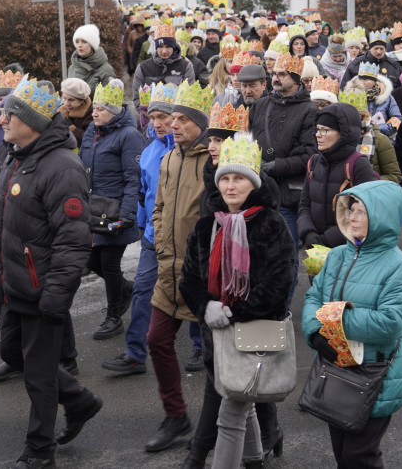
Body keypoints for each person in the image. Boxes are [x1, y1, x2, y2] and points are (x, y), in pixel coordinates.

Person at [0, 76, 103, 468]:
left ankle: (40, 452)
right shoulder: (17, 156)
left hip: (42, 293)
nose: (1, 118)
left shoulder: (63, 167)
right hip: (15, 287)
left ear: (33, 121)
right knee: (12, 353)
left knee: (38, 377)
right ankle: (78, 399)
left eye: (11, 113)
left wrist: (56, 297)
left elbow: (73, 240)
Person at [179, 133, 294, 469]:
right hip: (215, 334)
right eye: (225, 178)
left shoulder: (271, 224)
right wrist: (206, 306)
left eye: (239, 178)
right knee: (241, 398)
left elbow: (279, 283)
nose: (230, 186)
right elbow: (189, 280)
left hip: (253, 333)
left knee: (231, 410)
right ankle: (256, 457)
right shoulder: (205, 227)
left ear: (253, 182)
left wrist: (234, 311)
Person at [303, 180, 402, 469]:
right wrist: (315, 333)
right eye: (350, 210)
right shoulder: (338, 254)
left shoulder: (396, 266)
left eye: (361, 212)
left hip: (375, 374)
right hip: (336, 366)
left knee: (359, 456)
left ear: (381, 216)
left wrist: (333, 321)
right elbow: (313, 296)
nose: (351, 217)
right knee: (342, 452)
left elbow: (390, 322)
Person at [145, 80, 213, 453]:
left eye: (182, 119)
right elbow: (158, 206)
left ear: (199, 124)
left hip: (203, 276)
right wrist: (159, 238)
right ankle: (176, 417)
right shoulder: (170, 157)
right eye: (172, 118)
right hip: (168, 269)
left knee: (219, 357)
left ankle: (234, 422)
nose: (173, 125)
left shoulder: (213, 160)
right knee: (156, 340)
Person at [101, 83, 177, 376]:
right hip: (152, 238)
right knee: (142, 293)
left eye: (163, 117)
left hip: (182, 238)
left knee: (189, 294)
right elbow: (145, 190)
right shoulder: (149, 151)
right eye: (152, 116)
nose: (156, 123)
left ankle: (199, 347)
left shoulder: (189, 150)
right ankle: (135, 353)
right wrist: (144, 225)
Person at [79, 80, 143, 340]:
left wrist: (128, 214)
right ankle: (125, 289)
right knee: (90, 259)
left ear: (115, 111)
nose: (95, 113)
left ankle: (113, 316)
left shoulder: (129, 136)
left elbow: (133, 178)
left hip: (115, 210)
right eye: (94, 107)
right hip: (92, 210)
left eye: (101, 108)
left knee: (109, 263)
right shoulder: (92, 131)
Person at [248, 53, 317, 251]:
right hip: (259, 190)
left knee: (285, 251)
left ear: (295, 79)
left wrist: (276, 166)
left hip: (288, 195)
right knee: (257, 250)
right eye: (274, 74)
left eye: (282, 74)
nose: (275, 78)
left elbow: (310, 155)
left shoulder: (310, 111)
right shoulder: (260, 106)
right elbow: (247, 141)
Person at [298, 103, 379, 250]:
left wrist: (327, 239)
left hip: (349, 250)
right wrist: (308, 233)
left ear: (343, 133)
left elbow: (366, 212)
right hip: (317, 251)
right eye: (317, 129)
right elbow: (304, 204)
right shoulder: (314, 162)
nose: (317, 134)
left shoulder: (358, 165)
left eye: (325, 130)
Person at [339, 83, 402, 185]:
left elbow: (394, 175)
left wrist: (369, 181)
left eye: (354, 115)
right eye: (344, 115)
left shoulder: (380, 140)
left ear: (363, 116)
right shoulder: (334, 138)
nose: (348, 119)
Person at [132, 23, 196, 115]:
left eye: (168, 47)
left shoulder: (186, 66)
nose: (164, 51)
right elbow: (137, 97)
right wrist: (149, 116)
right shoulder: (143, 67)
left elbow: (190, 95)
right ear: (156, 47)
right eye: (161, 47)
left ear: (174, 47)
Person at [69, 24, 117, 94]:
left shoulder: (106, 70)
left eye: (84, 41)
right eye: (77, 42)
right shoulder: (72, 67)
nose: (79, 45)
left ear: (92, 44)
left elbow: (110, 99)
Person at [359, 63, 402, 139]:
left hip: (382, 139)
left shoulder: (387, 97)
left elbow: (397, 119)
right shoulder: (353, 96)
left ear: (374, 81)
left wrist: (375, 128)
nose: (362, 82)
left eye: (365, 79)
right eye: (360, 79)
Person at [58, 77, 94, 147]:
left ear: (82, 101)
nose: (66, 103)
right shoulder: (59, 111)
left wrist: (72, 129)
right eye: (64, 98)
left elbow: (90, 140)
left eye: (71, 100)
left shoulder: (92, 114)